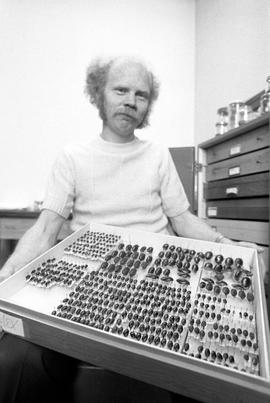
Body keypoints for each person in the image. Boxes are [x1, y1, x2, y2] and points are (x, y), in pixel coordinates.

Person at [0, 56, 262, 403]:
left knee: (208, 366)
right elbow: (47, 227)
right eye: (120, 89)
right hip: (90, 281)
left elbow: (182, 219)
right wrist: (10, 271)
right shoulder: (73, 156)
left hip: (159, 279)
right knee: (19, 361)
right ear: (99, 94)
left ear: (147, 105)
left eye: (141, 94)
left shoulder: (156, 154)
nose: (130, 100)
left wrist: (226, 243)